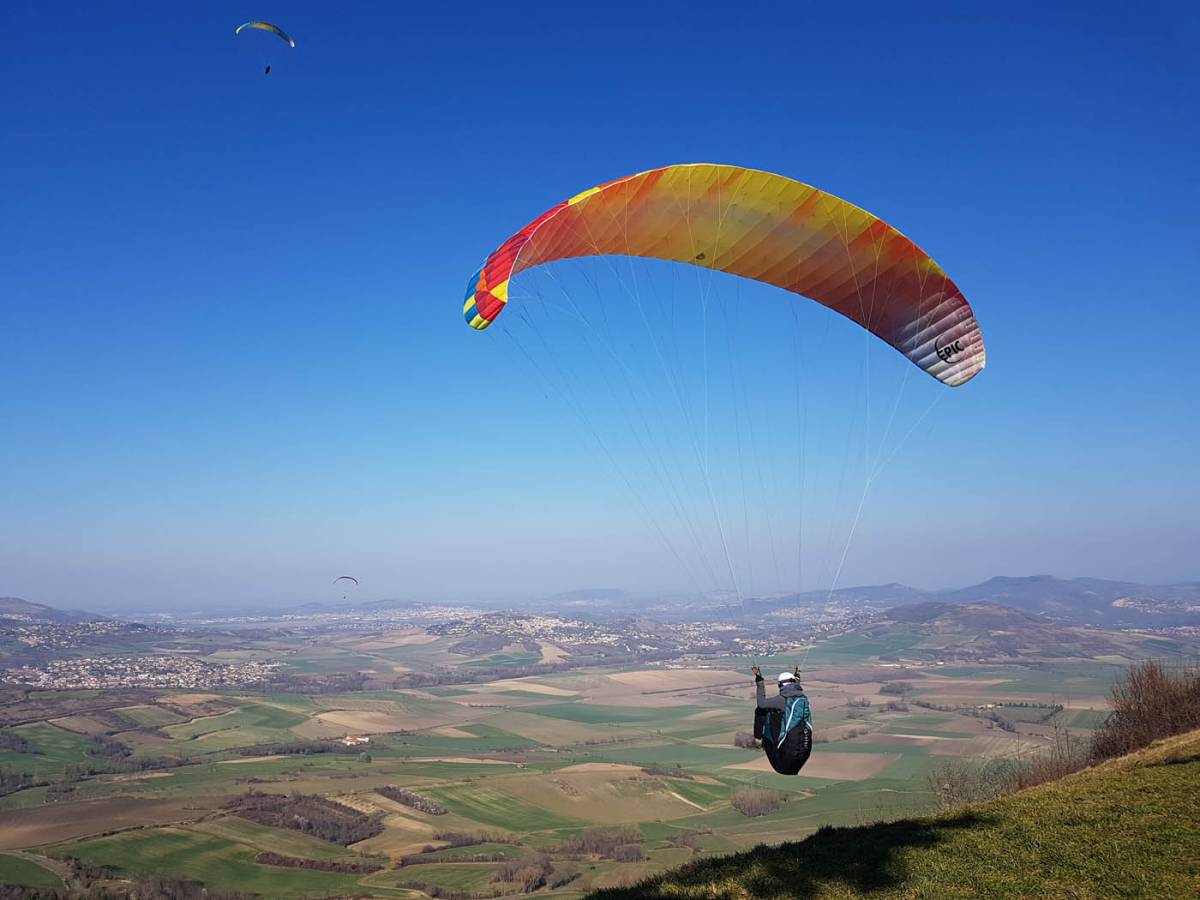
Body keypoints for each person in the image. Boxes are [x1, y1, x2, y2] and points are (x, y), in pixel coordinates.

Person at [751, 665, 813, 775]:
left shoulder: (782, 700)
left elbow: (761, 704)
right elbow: (794, 688)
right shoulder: (802, 699)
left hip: (782, 761)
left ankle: (758, 739)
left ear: (780, 685)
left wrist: (759, 680)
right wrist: (797, 676)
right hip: (801, 757)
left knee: (761, 711)